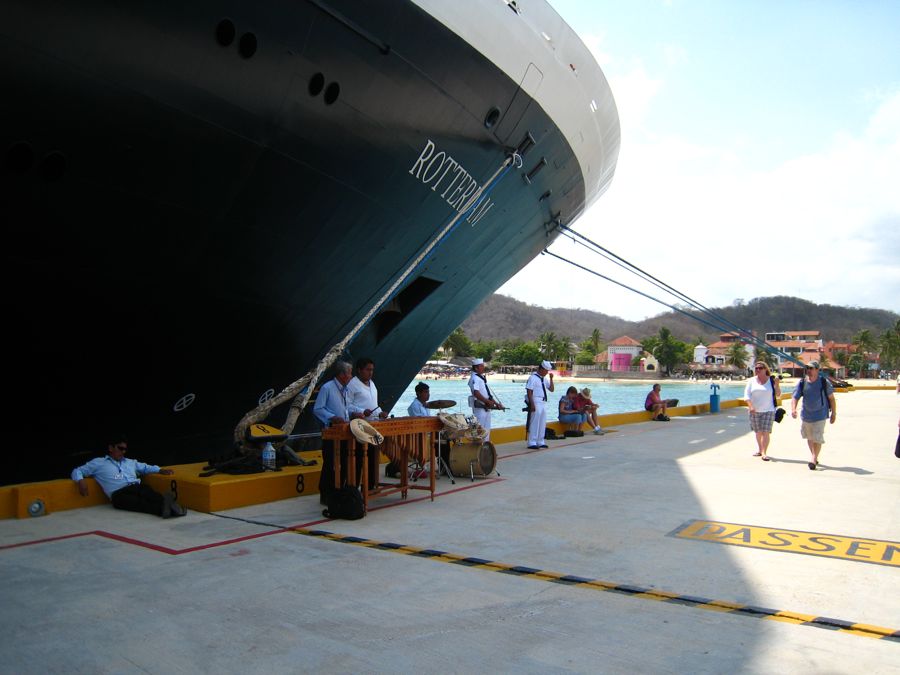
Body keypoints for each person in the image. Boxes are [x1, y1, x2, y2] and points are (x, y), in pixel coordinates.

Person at [71, 435, 186, 518]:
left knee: (149, 493)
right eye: (120, 448)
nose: (123, 451)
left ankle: (169, 507)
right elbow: (77, 471)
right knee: (139, 503)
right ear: (111, 448)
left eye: (125, 449)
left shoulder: (130, 462)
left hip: (136, 486)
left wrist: (160, 470)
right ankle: (169, 509)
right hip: (118, 493)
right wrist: (80, 481)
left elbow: (145, 467)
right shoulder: (98, 463)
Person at [313, 360, 355, 503]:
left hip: (344, 433)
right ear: (342, 375)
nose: (351, 376)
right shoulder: (327, 388)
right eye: (349, 373)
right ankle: (325, 493)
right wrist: (332, 417)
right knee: (330, 463)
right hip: (331, 433)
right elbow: (318, 409)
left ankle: (340, 490)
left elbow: (347, 408)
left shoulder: (346, 389)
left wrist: (358, 413)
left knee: (344, 461)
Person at [791, 360, 836, 470]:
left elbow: (832, 399)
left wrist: (834, 413)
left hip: (820, 414)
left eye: (811, 368)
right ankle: (814, 457)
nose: (809, 370)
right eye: (807, 368)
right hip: (806, 414)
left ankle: (813, 458)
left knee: (817, 437)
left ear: (817, 370)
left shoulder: (824, 382)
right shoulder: (802, 382)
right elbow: (795, 397)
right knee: (810, 437)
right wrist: (793, 409)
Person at [744, 360, 781, 461]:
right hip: (754, 411)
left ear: (766, 369)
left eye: (760, 368)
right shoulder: (751, 381)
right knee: (758, 432)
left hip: (769, 410)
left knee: (766, 432)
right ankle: (760, 449)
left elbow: (778, 394)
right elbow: (747, 395)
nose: (758, 370)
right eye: (756, 368)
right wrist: (750, 406)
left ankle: (764, 452)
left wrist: (777, 384)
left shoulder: (771, 380)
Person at [468, 357, 504, 441]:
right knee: (480, 430)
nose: (483, 368)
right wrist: (487, 401)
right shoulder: (475, 378)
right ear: (476, 368)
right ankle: (479, 449)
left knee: (486, 430)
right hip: (480, 407)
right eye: (481, 366)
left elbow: (488, 394)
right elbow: (476, 393)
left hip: (486, 407)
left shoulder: (480, 378)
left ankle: (486, 448)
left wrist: (495, 403)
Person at [525, 360, 555, 449]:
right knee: (535, 421)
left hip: (543, 401)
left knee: (542, 421)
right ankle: (532, 442)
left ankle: (540, 441)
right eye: (546, 371)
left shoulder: (543, 379)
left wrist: (551, 379)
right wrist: (532, 403)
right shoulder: (533, 378)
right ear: (541, 369)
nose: (546, 373)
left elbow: (551, 389)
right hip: (535, 400)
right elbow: (529, 391)